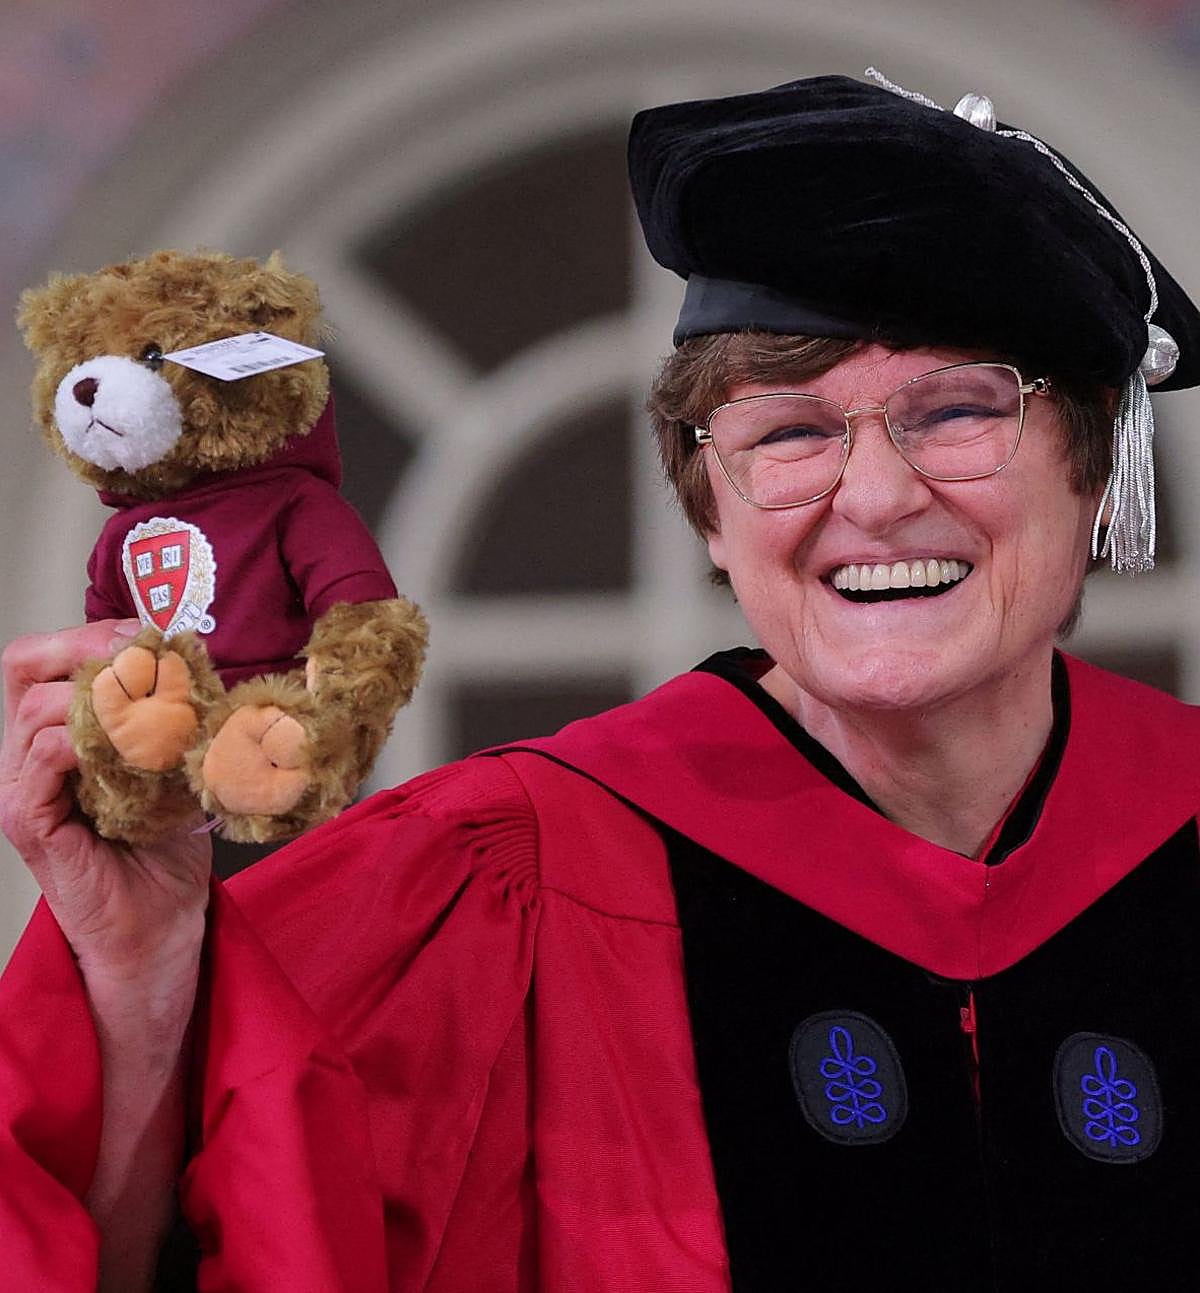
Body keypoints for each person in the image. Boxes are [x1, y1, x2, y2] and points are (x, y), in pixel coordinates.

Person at [3, 70, 1200, 1292]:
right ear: (710, 506)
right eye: (788, 432)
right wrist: (144, 970)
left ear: (1095, 462)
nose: (879, 498)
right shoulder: (491, 886)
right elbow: (191, 1249)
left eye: (958, 413)